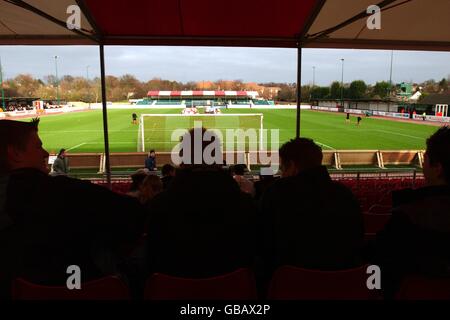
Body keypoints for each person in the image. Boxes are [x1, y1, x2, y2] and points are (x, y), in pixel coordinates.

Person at [0, 119, 146, 299]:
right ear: (15, 153)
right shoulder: (64, 191)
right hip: (84, 289)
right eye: (38, 147)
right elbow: (136, 216)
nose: (45, 153)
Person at [145, 127, 256, 279]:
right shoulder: (245, 204)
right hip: (233, 291)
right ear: (217, 158)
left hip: (175, 290)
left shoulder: (159, 205)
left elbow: (152, 260)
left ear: (183, 158)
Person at [260, 138, 364, 282]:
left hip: (290, 283)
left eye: (283, 169)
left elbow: (264, 243)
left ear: (292, 165)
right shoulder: (344, 194)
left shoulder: (276, 192)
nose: (282, 174)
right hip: (342, 284)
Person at [371, 126, 450, 299]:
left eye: (426, 158)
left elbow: (376, 266)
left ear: (438, 168)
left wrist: (373, 291)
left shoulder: (407, 216)